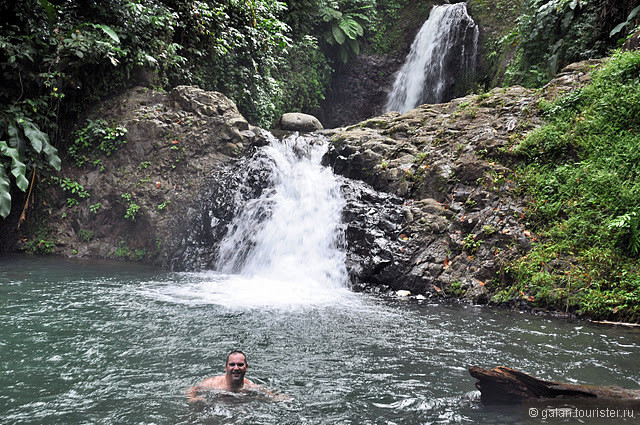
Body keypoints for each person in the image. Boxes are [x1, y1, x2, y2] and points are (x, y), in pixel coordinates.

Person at [186, 350, 258, 403]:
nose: (236, 368)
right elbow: (190, 391)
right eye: (232, 364)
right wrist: (193, 399)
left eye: (240, 365)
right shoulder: (212, 384)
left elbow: (267, 393)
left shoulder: (249, 387)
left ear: (246, 367)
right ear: (226, 368)